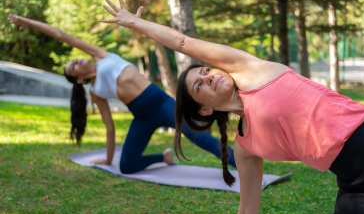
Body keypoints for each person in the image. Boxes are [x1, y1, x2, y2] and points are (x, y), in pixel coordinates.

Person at [102, 0, 364, 214]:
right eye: (199, 86)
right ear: (205, 109)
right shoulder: (245, 145)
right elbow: (247, 206)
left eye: (205, 70)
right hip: (359, 188)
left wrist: (136, 23)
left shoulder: (252, 70)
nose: (208, 76)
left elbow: (183, 42)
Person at [8, 14, 236, 175]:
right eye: (72, 67)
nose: (75, 61)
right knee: (126, 165)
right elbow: (109, 127)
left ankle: (239, 163)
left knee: (200, 138)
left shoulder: (102, 56)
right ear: (79, 78)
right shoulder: (96, 93)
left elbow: (60, 34)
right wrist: (108, 160)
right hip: (142, 117)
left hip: (161, 103)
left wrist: (24, 21)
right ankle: (162, 158)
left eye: (73, 60)